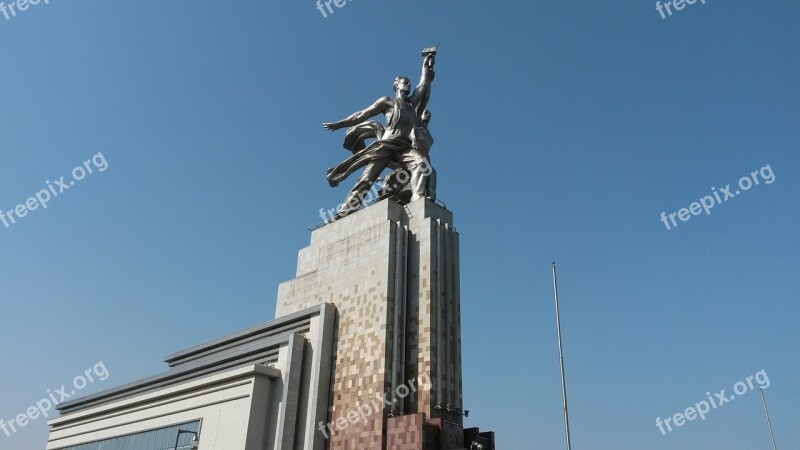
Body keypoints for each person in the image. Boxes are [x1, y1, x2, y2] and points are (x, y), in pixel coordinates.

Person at [322, 53, 435, 218]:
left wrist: (426, 66)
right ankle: (344, 211)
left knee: (420, 163)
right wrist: (339, 124)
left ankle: (418, 198)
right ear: (396, 85)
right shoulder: (387, 102)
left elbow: (423, 85)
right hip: (386, 144)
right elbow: (362, 114)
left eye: (409, 83)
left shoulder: (412, 104)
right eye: (405, 82)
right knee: (367, 178)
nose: (408, 85)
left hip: (403, 146)